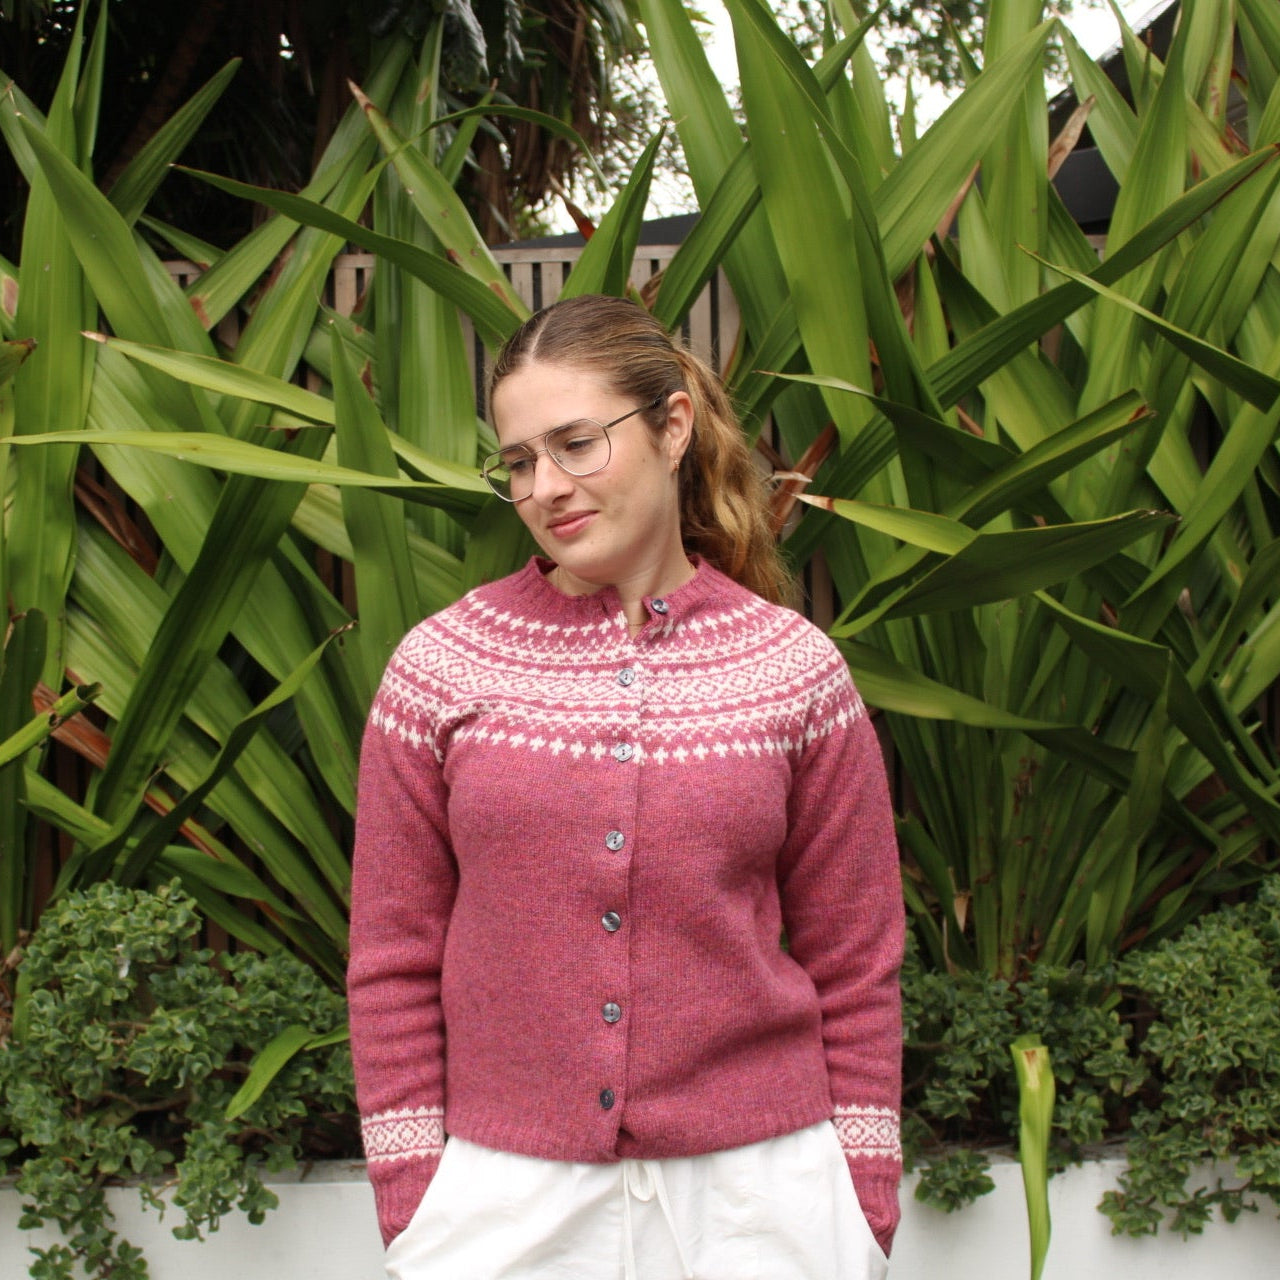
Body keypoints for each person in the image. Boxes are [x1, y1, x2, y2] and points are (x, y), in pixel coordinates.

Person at [347, 294, 904, 1279]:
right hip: (505, 1197)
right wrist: (416, 1199)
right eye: (519, 460)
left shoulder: (792, 669)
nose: (544, 485)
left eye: (573, 443)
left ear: (672, 425)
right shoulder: (440, 667)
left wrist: (859, 1193)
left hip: (763, 1197)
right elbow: (392, 954)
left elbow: (854, 953)